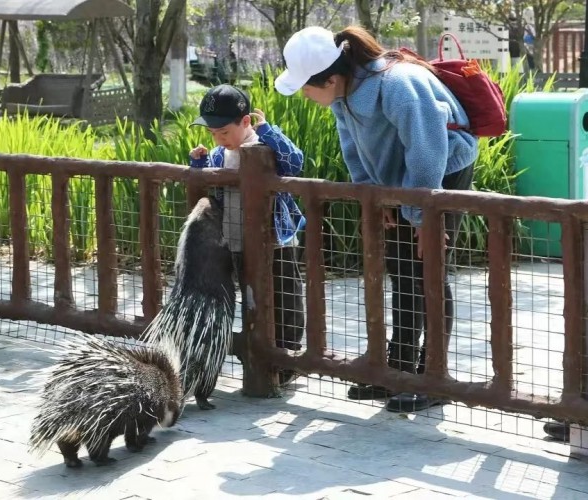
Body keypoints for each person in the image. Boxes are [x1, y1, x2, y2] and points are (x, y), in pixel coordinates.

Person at [274, 26, 479, 413]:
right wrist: (375, 195)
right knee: (403, 269)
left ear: (331, 78)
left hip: (441, 173)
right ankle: (397, 370)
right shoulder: (344, 93)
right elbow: (353, 147)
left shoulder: (399, 83)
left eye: (306, 86)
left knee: (428, 268)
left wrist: (423, 217)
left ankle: (434, 376)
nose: (303, 93)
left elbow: (428, 148)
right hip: (404, 180)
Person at [189, 84, 307, 385]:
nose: (217, 138)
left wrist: (267, 130)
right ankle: (255, 355)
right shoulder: (218, 156)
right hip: (236, 241)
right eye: (212, 132)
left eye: (224, 131)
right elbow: (211, 190)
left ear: (245, 122)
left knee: (286, 298)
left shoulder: (265, 147)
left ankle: (288, 357)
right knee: (251, 300)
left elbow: (295, 162)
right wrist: (199, 165)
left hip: (276, 241)